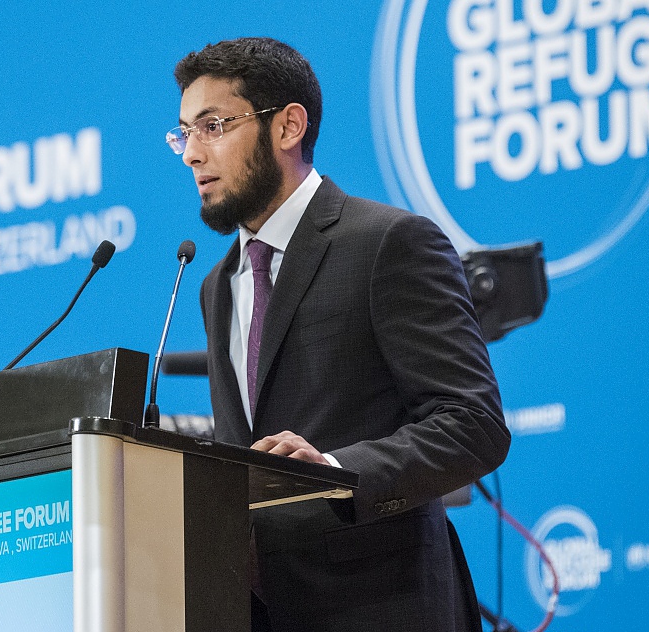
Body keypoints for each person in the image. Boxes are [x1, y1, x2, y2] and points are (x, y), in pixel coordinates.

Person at [169, 37, 510, 631]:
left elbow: (472, 425)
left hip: (386, 606)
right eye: (183, 133)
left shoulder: (388, 243)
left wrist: (329, 471)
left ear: (287, 127)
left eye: (213, 126)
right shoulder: (215, 285)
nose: (192, 154)